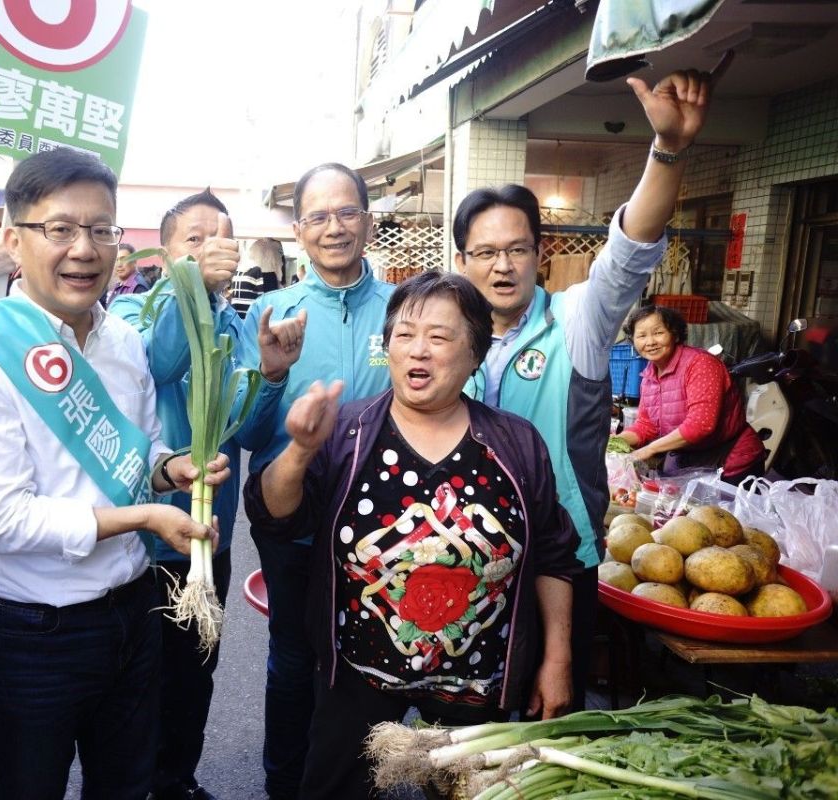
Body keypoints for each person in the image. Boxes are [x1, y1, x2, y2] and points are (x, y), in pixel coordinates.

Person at [0, 148, 229, 800]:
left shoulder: (121, 340)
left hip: (133, 613)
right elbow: (3, 520)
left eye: (101, 230)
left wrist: (171, 469)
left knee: (126, 786)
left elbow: (140, 452)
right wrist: (145, 518)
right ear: (13, 240)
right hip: (35, 634)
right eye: (59, 229)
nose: (84, 249)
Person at [455, 60, 727, 711]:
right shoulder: (449, 339)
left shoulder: (579, 317)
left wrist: (667, 151)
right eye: (485, 252)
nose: (502, 265)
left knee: (549, 710)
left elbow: (631, 248)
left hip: (558, 554)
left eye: (516, 249)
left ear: (541, 253)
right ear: (462, 260)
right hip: (465, 552)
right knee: (467, 716)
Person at [246, 272, 580, 799]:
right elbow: (276, 516)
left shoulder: (516, 443)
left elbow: (554, 557)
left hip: (476, 685)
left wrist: (556, 659)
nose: (417, 351)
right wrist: (300, 450)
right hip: (357, 675)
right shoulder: (348, 432)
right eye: (403, 335)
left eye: (440, 337)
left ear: (476, 353)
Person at [109, 189, 304, 800]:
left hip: (206, 544)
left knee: (194, 679)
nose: (211, 248)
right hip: (142, 541)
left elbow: (245, 427)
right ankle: (131, 785)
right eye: (194, 239)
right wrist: (190, 287)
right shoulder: (134, 315)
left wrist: (271, 375)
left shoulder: (237, 325)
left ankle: (177, 782)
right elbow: (160, 366)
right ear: (165, 253)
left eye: (221, 237)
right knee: (135, 683)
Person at [239, 163, 395, 800]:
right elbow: (246, 435)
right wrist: (273, 377)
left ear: (367, 219)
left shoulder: (403, 310)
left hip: (386, 521)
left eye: (347, 213)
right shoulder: (271, 313)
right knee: (295, 656)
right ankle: (286, 782)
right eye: (319, 217)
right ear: (299, 231)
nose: (335, 228)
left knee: (376, 657)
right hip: (292, 513)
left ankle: (359, 779)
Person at [618, 305, 764, 482]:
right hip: (689, 464)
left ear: (676, 335)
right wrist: (615, 442)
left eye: (658, 333)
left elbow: (700, 425)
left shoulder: (701, 364)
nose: (650, 342)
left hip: (731, 463)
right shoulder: (649, 375)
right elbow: (646, 426)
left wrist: (650, 449)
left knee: (718, 511)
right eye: (641, 335)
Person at [105, 240, 149, 306]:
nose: (119, 265)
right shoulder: (120, 285)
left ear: (134, 261)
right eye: (116, 260)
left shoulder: (138, 287)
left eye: (123, 259)